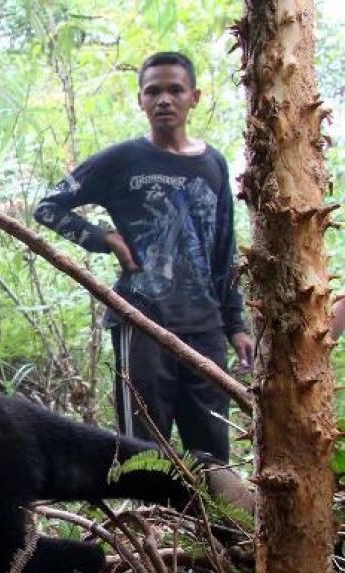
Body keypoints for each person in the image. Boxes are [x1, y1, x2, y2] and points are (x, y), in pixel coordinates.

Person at [33, 52, 253, 464]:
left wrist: (236, 324)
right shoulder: (121, 160)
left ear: (195, 97)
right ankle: (145, 528)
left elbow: (224, 247)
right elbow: (48, 207)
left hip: (205, 328)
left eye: (174, 90)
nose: (164, 100)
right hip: (141, 320)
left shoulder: (214, 164)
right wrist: (103, 239)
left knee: (212, 453)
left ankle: (212, 529)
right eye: (153, 91)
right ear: (140, 101)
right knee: (143, 453)